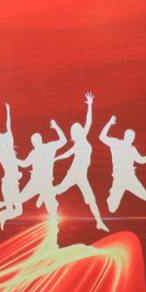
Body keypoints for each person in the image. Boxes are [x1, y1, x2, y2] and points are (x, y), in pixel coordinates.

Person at [53, 93, 108, 231]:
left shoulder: (82, 140)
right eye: (77, 130)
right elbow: (67, 153)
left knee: (91, 199)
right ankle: (43, 192)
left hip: (81, 175)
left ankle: (99, 222)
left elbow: (89, 121)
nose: (81, 130)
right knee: (58, 190)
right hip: (74, 174)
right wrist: (56, 158)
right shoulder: (77, 144)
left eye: (79, 129)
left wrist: (90, 105)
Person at [99, 116, 146, 213]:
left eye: (133, 138)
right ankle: (111, 198)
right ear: (125, 136)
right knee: (112, 209)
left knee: (144, 195)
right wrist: (109, 123)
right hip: (119, 179)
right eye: (130, 137)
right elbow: (102, 137)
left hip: (130, 178)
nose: (131, 139)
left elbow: (141, 160)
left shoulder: (132, 149)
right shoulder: (116, 143)